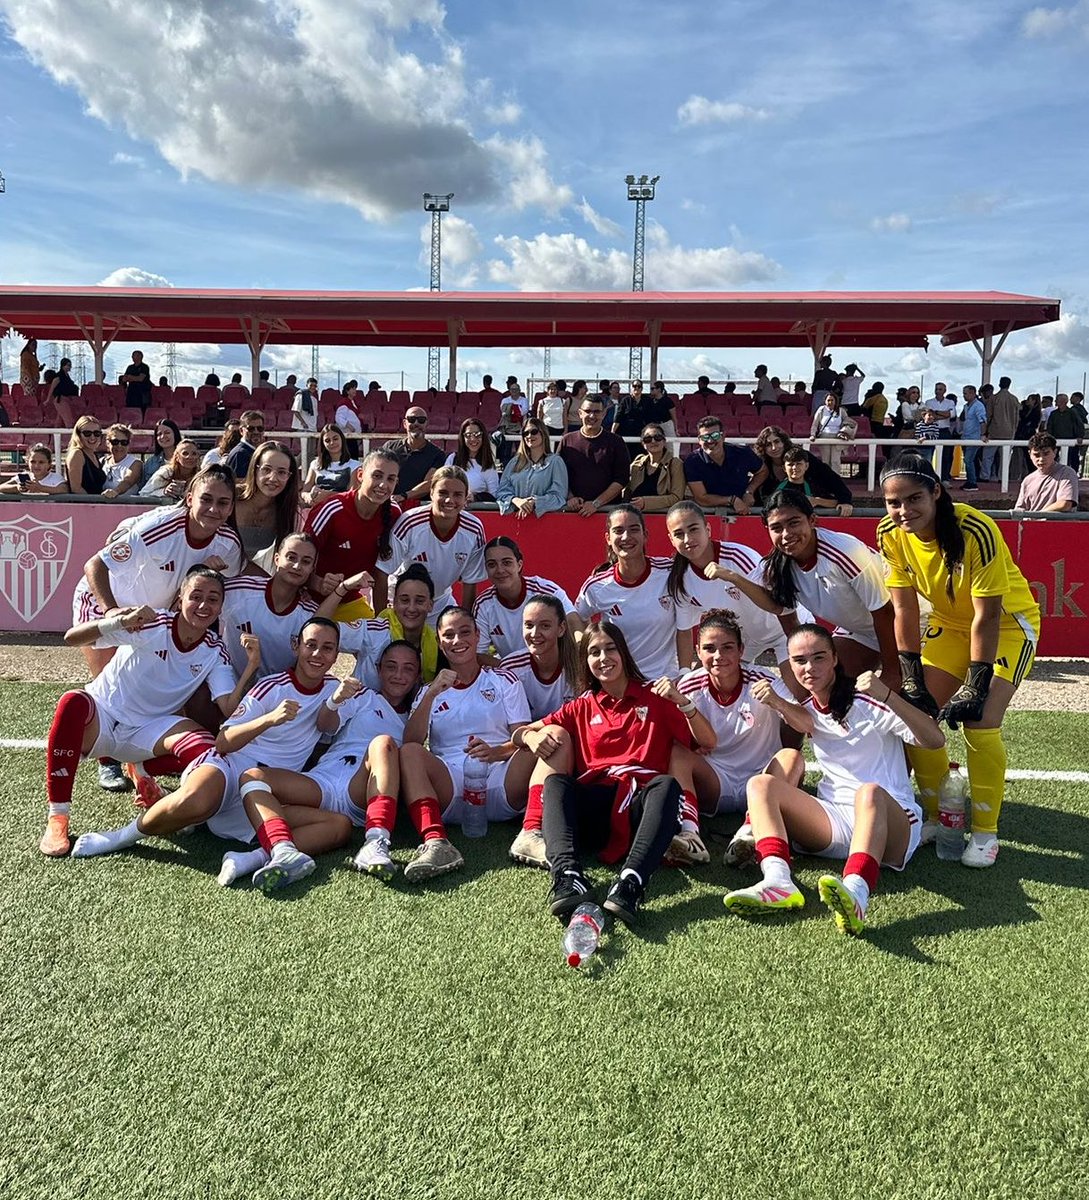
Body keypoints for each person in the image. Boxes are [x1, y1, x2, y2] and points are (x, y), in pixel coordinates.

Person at [68, 618, 358, 888]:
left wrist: (334, 702)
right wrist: (269, 719)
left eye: (327, 648)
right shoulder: (272, 687)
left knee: (338, 827)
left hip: (265, 793)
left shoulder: (335, 690)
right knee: (196, 801)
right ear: (297, 646)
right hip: (230, 769)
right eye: (311, 645)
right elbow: (223, 741)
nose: (318, 654)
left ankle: (249, 858)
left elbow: (326, 725)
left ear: (336, 656)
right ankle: (119, 838)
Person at [722, 625, 944, 935]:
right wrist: (775, 701)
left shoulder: (869, 700)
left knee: (868, 792)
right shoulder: (810, 709)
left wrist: (890, 695)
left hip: (893, 826)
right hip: (835, 822)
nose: (809, 667)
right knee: (760, 784)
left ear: (836, 659)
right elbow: (803, 720)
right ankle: (777, 880)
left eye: (818, 657)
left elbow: (935, 740)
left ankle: (856, 892)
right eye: (799, 660)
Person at [877, 453, 1041, 867]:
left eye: (913, 499)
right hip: (950, 626)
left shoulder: (975, 528)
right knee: (914, 713)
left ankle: (986, 833)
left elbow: (987, 614)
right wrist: (911, 672)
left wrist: (976, 680)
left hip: (1006, 626)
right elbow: (905, 609)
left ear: (936, 491)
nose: (902, 511)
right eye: (893, 503)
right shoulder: (889, 532)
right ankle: (937, 817)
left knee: (980, 719)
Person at [40, 567, 260, 856]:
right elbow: (72, 638)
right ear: (180, 597)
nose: (204, 605)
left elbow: (228, 707)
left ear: (221, 606)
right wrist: (119, 621)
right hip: (103, 718)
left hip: (149, 732)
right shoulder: (151, 623)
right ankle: (58, 816)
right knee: (72, 701)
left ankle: (144, 771)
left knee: (207, 749)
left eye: (213, 599)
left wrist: (252, 665)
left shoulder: (214, 650)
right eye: (196, 596)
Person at [511, 620, 715, 923]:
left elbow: (707, 741)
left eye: (610, 649)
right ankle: (568, 876)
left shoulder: (656, 696)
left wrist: (682, 702)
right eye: (594, 652)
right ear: (586, 661)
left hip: (640, 811)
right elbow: (524, 733)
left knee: (665, 786)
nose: (603, 658)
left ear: (624, 653)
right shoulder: (582, 705)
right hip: (597, 805)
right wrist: (525, 737)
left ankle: (631, 883)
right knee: (556, 785)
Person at [217, 639, 423, 888]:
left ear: (417, 675)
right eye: (391, 667)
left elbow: (417, 748)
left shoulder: (418, 718)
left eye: (408, 668)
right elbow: (325, 724)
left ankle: (375, 841)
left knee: (383, 743)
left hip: (360, 791)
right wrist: (334, 701)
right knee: (254, 777)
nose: (398, 675)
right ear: (379, 670)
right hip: (324, 779)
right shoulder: (363, 696)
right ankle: (268, 854)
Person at [704, 488, 898, 685]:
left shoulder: (845, 551)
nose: (786, 534)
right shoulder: (776, 567)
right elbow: (782, 613)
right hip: (861, 632)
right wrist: (734, 577)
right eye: (777, 528)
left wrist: (892, 672)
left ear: (812, 520)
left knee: (912, 698)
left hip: (906, 624)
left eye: (794, 523)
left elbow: (884, 612)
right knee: (826, 685)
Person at [398, 606, 534, 881]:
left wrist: (496, 752)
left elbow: (523, 736)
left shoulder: (503, 679)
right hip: (451, 789)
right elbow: (411, 741)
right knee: (410, 752)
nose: (457, 641)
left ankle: (533, 831)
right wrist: (432, 693)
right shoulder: (428, 690)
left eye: (464, 632)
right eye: (449, 635)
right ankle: (436, 842)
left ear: (477, 635)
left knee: (547, 737)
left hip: (500, 780)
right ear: (438, 641)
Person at [74, 464, 246, 681]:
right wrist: (110, 611)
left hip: (150, 618)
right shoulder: (160, 528)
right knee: (108, 685)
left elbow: (243, 575)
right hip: (106, 602)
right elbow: (95, 565)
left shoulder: (228, 543)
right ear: (190, 498)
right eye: (206, 499)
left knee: (146, 687)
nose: (213, 509)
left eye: (222, 503)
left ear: (231, 508)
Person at [674, 609, 785, 831]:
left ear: (741, 650)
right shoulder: (687, 686)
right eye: (709, 648)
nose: (718, 656)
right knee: (677, 755)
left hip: (760, 778)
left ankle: (751, 828)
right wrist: (692, 745)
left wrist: (779, 703)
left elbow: (803, 723)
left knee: (791, 757)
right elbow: (676, 735)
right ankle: (690, 833)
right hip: (716, 781)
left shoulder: (765, 680)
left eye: (727, 647)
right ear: (697, 651)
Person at [664, 500, 796, 671]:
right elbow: (684, 630)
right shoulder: (679, 578)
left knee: (797, 692)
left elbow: (777, 603)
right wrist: (684, 672)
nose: (688, 539)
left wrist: (733, 578)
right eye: (679, 534)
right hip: (745, 641)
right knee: (705, 683)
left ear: (708, 529)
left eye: (694, 529)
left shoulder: (738, 556)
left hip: (782, 631)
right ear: (671, 539)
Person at [502, 593, 582, 868]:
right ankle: (532, 827)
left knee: (559, 734)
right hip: (527, 751)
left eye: (545, 626)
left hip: (575, 752)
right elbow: (510, 732)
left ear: (562, 629)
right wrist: (530, 737)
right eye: (528, 625)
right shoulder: (511, 666)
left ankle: (539, 820)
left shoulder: (582, 665)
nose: (535, 633)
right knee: (556, 735)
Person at [575, 504, 689, 679]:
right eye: (618, 531)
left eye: (634, 529)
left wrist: (684, 674)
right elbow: (575, 618)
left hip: (666, 683)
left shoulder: (670, 573)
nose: (626, 537)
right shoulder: (597, 586)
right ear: (608, 538)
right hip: (621, 685)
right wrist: (591, 650)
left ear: (645, 535)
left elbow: (685, 628)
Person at [219, 532, 345, 679]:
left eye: (306, 561)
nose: (297, 566)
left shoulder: (310, 615)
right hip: (228, 684)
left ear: (312, 569)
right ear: (277, 559)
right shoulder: (240, 590)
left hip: (276, 694)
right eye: (291, 557)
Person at [377, 466, 488, 620]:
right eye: (443, 493)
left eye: (457, 495)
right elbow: (382, 572)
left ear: (465, 498)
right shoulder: (410, 522)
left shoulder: (474, 529)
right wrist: (381, 620)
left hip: (440, 601)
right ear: (431, 493)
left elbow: (470, 582)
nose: (450, 500)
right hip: (400, 600)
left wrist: (464, 623)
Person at [304, 448, 400, 619]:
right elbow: (299, 557)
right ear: (361, 475)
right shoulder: (332, 509)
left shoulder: (393, 514)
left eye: (390, 479)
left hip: (349, 602)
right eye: (377, 476)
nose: (383, 485)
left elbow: (381, 573)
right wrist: (318, 583)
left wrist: (380, 621)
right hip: (310, 601)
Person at [473, 536, 579, 660]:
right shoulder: (483, 605)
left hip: (554, 667)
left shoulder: (546, 591)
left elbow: (574, 622)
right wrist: (511, 671)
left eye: (507, 563)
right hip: (511, 674)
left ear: (519, 565)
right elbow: (479, 654)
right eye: (492, 565)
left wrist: (579, 654)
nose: (500, 570)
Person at [559, 393, 630, 517]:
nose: (592, 416)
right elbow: (559, 475)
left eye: (597, 412)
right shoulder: (567, 440)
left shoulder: (616, 442)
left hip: (608, 513)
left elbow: (621, 479)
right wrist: (570, 497)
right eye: (587, 411)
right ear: (580, 413)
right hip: (573, 512)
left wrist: (596, 504)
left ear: (604, 414)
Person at [232, 441, 300, 568]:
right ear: (255, 469)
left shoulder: (290, 513)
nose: (273, 478)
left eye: (282, 472)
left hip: (264, 584)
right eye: (266, 469)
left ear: (289, 477)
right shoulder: (230, 499)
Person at [752, 426, 853, 510]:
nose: (774, 448)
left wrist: (845, 501)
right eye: (768, 445)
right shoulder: (761, 466)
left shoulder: (804, 457)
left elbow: (832, 479)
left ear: (784, 442)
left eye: (777, 442)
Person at [683, 415, 765, 514]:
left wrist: (749, 491)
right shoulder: (692, 462)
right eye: (705, 437)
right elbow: (701, 498)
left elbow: (763, 471)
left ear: (723, 436)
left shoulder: (743, 453)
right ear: (699, 440)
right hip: (709, 514)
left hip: (745, 511)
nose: (710, 441)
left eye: (715, 435)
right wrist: (732, 500)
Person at [495, 418, 569, 519]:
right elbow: (502, 491)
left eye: (534, 432)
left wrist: (534, 502)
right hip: (515, 520)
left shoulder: (555, 462)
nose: (530, 436)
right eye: (525, 433)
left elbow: (559, 496)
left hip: (545, 522)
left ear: (543, 434)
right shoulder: (514, 462)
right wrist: (516, 500)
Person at [381, 407, 446, 505]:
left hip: (420, 508)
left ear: (426, 424)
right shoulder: (389, 447)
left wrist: (403, 496)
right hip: (390, 504)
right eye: (411, 419)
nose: (416, 423)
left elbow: (429, 483)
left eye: (421, 420)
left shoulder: (437, 454)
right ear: (404, 423)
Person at [623, 423, 686, 512]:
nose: (653, 441)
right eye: (648, 439)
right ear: (643, 443)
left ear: (664, 441)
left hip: (662, 517)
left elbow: (676, 497)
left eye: (657, 438)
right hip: (634, 516)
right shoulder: (636, 464)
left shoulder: (675, 464)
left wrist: (646, 503)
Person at [1014, 432, 1080, 513]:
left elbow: (1065, 504)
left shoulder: (1067, 473)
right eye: (1036, 455)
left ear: (1055, 452)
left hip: (1056, 525)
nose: (1041, 459)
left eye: (1046, 454)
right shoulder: (1027, 480)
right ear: (1030, 454)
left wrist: (1037, 516)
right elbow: (1019, 510)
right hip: (1031, 524)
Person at [777, 446, 854, 515]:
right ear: (784, 468)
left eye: (799, 464)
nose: (794, 468)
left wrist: (816, 501)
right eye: (790, 464)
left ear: (806, 466)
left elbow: (835, 502)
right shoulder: (778, 489)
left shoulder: (814, 486)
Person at [300, 423, 361, 508]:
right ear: (323, 444)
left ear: (342, 440)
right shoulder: (315, 464)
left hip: (341, 511)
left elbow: (353, 496)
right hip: (317, 510)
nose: (332, 443)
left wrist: (327, 495)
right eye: (327, 440)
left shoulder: (355, 466)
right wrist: (309, 497)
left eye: (335, 439)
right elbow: (304, 492)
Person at [446, 417, 500, 501]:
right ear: (463, 438)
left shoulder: (488, 465)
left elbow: (494, 495)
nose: (473, 439)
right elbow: (443, 484)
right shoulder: (452, 459)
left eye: (477, 434)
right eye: (468, 435)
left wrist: (476, 497)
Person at [981, 376, 1020, 482]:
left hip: (994, 431)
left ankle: (985, 476)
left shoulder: (993, 398)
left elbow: (988, 416)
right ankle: (1002, 477)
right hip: (1009, 432)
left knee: (988, 456)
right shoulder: (1014, 399)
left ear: (999, 384)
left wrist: (985, 431)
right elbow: (1017, 418)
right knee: (1005, 458)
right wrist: (1013, 430)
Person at [810, 393, 858, 474]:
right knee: (825, 461)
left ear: (836, 401)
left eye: (832, 400)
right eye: (828, 400)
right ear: (825, 401)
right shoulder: (821, 410)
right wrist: (813, 434)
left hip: (837, 438)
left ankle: (836, 481)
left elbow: (848, 422)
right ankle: (825, 481)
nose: (830, 402)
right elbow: (815, 424)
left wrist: (845, 432)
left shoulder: (841, 411)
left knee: (835, 461)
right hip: (824, 437)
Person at [64, 414, 108, 496]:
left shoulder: (93, 454)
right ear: (78, 435)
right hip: (84, 505)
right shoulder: (77, 454)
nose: (92, 437)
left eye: (96, 433)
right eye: (87, 433)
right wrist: (93, 503)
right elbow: (76, 489)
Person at [0, 442, 68, 495]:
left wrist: (40, 488)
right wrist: (17, 488)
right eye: (33, 462)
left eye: (41, 462)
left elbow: (64, 489)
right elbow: (2, 487)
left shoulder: (56, 478)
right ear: (27, 462)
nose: (36, 466)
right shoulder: (23, 476)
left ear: (49, 464)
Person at [100, 424, 143, 498]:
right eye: (115, 442)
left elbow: (128, 481)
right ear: (108, 443)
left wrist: (116, 491)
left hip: (128, 506)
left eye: (124, 442)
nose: (119, 446)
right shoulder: (102, 462)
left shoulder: (136, 463)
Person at [959, 384, 988, 492]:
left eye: (965, 393)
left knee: (968, 459)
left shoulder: (978, 406)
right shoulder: (966, 406)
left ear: (972, 393)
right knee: (969, 460)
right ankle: (970, 480)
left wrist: (983, 434)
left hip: (974, 437)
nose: (964, 396)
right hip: (966, 437)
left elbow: (982, 421)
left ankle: (972, 482)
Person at [1046, 393, 1086, 471]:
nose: (1055, 401)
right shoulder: (1053, 414)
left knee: (1073, 458)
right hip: (1055, 440)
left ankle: (1074, 473)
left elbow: (1079, 425)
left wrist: (1080, 436)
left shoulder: (1072, 413)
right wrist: (1049, 437)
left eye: (1057, 400)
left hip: (1070, 439)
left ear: (1063, 401)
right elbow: (1050, 426)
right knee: (1053, 457)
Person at [141, 418, 184, 486]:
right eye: (159, 434)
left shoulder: (186, 459)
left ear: (175, 434)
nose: (163, 436)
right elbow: (142, 488)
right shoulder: (150, 463)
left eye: (167, 433)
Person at [223, 411, 265, 480]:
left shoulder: (252, 451)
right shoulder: (240, 454)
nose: (256, 432)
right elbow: (238, 485)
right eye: (251, 429)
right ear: (241, 431)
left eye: (260, 428)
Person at [44, 356, 80, 425]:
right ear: (63, 366)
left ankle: (55, 434)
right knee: (69, 420)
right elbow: (52, 388)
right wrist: (48, 399)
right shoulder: (59, 376)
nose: (69, 367)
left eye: (70, 365)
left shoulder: (67, 376)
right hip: (60, 400)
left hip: (66, 399)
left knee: (59, 420)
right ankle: (70, 434)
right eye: (68, 365)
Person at [120, 350, 152, 414]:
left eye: (134, 355)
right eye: (132, 356)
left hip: (142, 393)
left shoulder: (144, 367)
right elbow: (124, 379)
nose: (132, 357)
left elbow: (140, 379)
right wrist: (133, 378)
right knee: (130, 410)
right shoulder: (130, 367)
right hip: (131, 393)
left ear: (140, 356)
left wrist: (130, 377)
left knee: (142, 411)